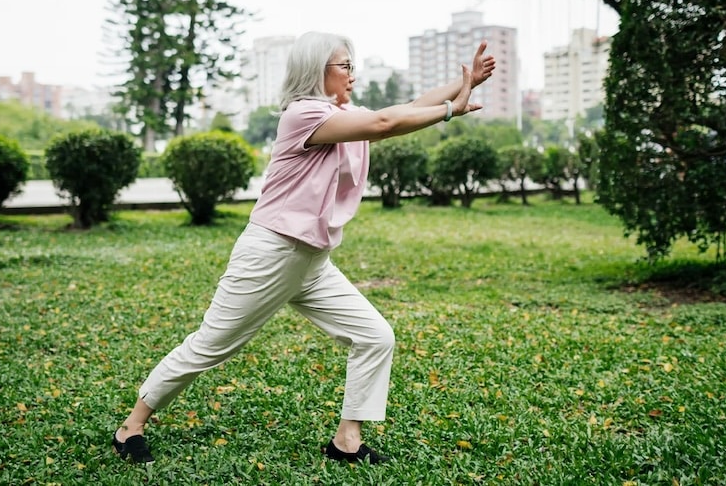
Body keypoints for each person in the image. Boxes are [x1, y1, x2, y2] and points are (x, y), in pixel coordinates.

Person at [113, 31, 496, 466]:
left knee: (375, 336)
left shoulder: (341, 113)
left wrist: (464, 84)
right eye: (344, 66)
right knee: (211, 346)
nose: (353, 74)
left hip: (312, 260)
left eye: (353, 65)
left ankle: (346, 441)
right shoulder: (303, 115)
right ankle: (131, 426)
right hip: (271, 253)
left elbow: (403, 110)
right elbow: (386, 124)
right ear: (318, 71)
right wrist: (451, 109)